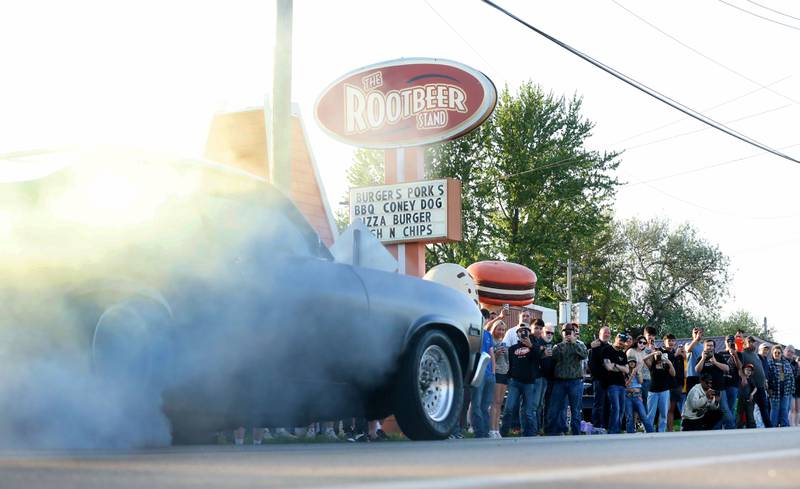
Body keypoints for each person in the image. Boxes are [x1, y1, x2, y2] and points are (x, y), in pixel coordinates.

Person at [546, 323, 588, 435]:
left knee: (575, 409)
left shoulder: (579, 344)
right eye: (566, 331)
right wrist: (564, 343)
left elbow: (584, 355)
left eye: (570, 331)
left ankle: (576, 432)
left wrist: (574, 343)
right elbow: (554, 356)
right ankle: (552, 432)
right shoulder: (558, 346)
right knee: (555, 408)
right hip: (560, 381)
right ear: (562, 333)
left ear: (575, 333)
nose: (568, 333)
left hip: (575, 381)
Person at [502, 325, 542, 436]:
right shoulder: (512, 348)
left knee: (528, 412)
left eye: (525, 331)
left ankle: (530, 434)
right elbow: (509, 364)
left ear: (529, 333)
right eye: (520, 332)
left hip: (529, 383)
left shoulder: (535, 346)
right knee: (508, 409)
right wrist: (509, 378)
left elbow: (539, 357)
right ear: (517, 335)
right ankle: (503, 433)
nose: (523, 333)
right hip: (514, 382)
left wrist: (531, 346)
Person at [470, 315, 496, 438]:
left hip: (489, 374)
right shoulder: (472, 332)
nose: (483, 320)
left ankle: (485, 432)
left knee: (485, 405)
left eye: (484, 318)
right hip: (477, 374)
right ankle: (479, 432)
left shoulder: (488, 335)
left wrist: (493, 372)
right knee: (476, 404)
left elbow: (492, 354)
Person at [694, 338, 730, 429]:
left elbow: (727, 368)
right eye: (708, 345)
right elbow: (697, 370)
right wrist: (703, 359)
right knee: (709, 411)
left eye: (711, 345)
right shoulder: (700, 357)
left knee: (724, 410)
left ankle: (731, 429)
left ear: (714, 347)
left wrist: (715, 362)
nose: (710, 347)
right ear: (704, 347)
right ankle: (713, 429)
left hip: (719, 389)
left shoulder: (719, 356)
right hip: (706, 391)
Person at [740, 336, 771, 427]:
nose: (752, 344)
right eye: (750, 342)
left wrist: (765, 380)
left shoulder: (755, 355)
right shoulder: (742, 354)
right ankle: (748, 430)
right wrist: (743, 377)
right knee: (749, 411)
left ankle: (770, 428)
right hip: (751, 387)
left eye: (753, 342)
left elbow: (760, 368)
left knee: (764, 408)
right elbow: (740, 368)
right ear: (745, 344)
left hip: (761, 386)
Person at [603, 332, 630, 434]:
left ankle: (617, 430)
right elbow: (608, 367)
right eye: (621, 340)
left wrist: (616, 365)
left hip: (622, 385)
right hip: (611, 384)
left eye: (624, 341)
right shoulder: (607, 350)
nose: (622, 342)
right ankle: (612, 431)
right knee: (616, 408)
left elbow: (627, 370)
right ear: (616, 338)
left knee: (622, 409)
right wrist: (620, 367)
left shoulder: (623, 354)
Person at [646, 348, 675, 432]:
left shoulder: (666, 365)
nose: (658, 356)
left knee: (664, 413)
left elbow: (673, 374)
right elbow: (644, 359)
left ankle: (661, 430)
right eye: (657, 355)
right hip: (652, 392)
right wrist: (653, 353)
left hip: (664, 391)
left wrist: (669, 362)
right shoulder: (652, 365)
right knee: (651, 413)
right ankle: (648, 430)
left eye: (660, 355)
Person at [660, 334, 685, 430]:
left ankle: (670, 430)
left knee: (672, 409)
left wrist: (683, 356)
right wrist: (676, 355)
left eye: (673, 341)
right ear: (664, 341)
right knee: (665, 409)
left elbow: (681, 369)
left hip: (676, 385)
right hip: (665, 385)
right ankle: (663, 429)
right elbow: (666, 365)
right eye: (669, 340)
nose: (671, 342)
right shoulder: (662, 352)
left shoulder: (677, 353)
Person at [589, 326, 611, 429]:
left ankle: (606, 426)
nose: (607, 334)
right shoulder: (594, 347)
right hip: (599, 380)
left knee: (608, 404)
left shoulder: (610, 348)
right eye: (604, 333)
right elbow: (591, 365)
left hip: (609, 381)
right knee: (598, 404)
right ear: (599, 334)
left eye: (608, 333)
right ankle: (596, 426)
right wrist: (599, 376)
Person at [624, 354, 654, 433]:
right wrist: (632, 375)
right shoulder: (624, 373)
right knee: (629, 416)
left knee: (643, 415)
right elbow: (626, 385)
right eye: (630, 362)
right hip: (628, 396)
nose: (632, 363)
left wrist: (637, 373)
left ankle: (650, 431)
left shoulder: (638, 372)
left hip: (637, 396)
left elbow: (641, 382)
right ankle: (630, 432)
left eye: (633, 362)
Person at [489, 320, 509, 439]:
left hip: (504, 372)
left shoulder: (503, 342)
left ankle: (497, 428)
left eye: (503, 329)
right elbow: (491, 359)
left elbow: (507, 359)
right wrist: (496, 353)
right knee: (494, 402)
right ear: (494, 329)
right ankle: (492, 429)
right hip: (495, 372)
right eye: (499, 329)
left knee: (500, 402)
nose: (501, 331)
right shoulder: (491, 341)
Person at [766, 344, 794, 427]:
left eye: (779, 352)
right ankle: (772, 427)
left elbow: (791, 377)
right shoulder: (769, 363)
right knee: (775, 410)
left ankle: (784, 426)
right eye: (775, 352)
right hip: (774, 391)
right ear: (772, 353)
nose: (777, 354)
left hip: (785, 391)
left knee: (784, 409)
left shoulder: (785, 363)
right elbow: (768, 377)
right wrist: (769, 389)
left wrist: (792, 389)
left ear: (781, 353)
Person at [737, 363, 758, 429]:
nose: (748, 371)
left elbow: (755, 388)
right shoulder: (740, 378)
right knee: (739, 414)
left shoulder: (751, 379)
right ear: (743, 370)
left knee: (750, 415)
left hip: (748, 399)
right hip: (739, 399)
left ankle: (751, 428)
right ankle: (739, 427)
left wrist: (752, 394)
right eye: (747, 369)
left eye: (750, 370)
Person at [684, 327, 705, 392]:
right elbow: (688, 349)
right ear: (692, 334)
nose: (697, 334)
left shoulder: (704, 346)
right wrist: (696, 339)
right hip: (691, 376)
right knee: (690, 399)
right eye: (695, 333)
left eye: (699, 332)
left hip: (702, 376)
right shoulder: (688, 344)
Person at [785, 345, 800, 426]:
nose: (790, 353)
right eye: (789, 351)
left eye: (792, 352)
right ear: (785, 351)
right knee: (792, 409)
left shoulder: (795, 363)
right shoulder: (783, 361)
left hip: (797, 388)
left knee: (798, 409)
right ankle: (791, 425)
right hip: (789, 388)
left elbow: (797, 375)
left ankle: (796, 425)